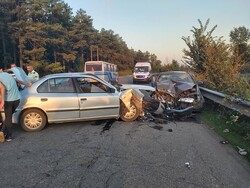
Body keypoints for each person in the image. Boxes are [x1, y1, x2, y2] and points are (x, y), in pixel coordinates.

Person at [0, 67, 21, 142]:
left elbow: (2, 88)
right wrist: (26, 84)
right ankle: (3, 131)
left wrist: (2, 101)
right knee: (8, 117)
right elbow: (17, 80)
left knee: (8, 118)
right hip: (17, 99)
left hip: (8, 100)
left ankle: (9, 136)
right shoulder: (7, 74)